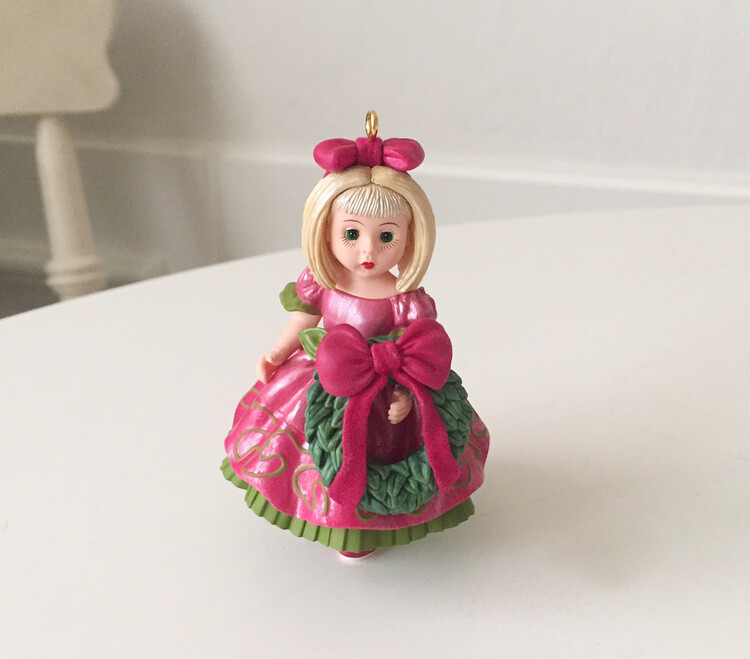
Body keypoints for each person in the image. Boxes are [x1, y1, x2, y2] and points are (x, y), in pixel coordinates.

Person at [221, 113, 489, 558]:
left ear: (410, 237)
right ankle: (331, 519)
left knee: (376, 457)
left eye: (386, 237)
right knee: (315, 449)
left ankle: (369, 529)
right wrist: (280, 350)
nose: (368, 250)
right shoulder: (322, 283)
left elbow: (415, 351)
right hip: (321, 375)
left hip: (382, 390)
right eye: (351, 234)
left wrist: (406, 395)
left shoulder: (405, 300)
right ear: (325, 230)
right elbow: (305, 319)